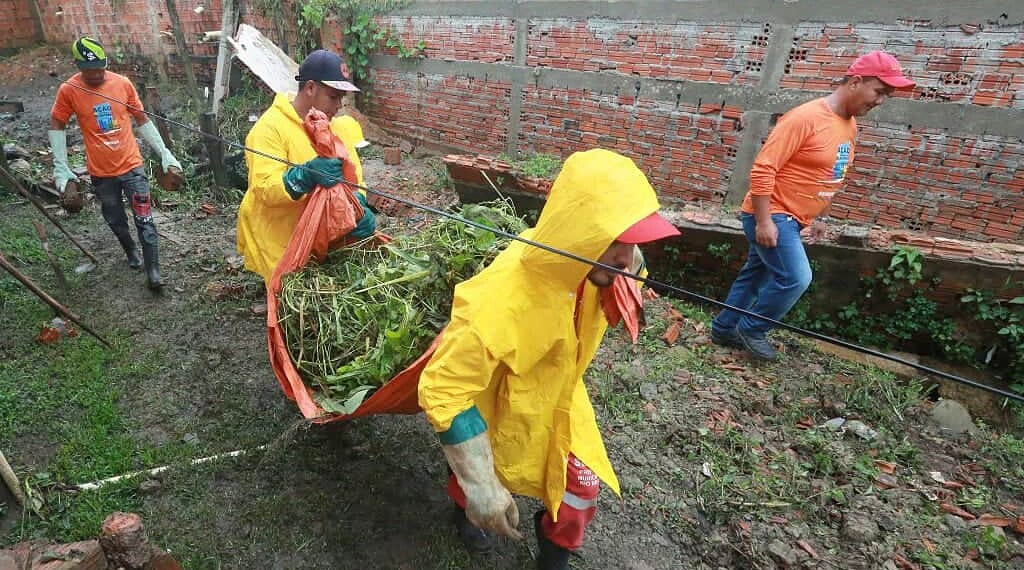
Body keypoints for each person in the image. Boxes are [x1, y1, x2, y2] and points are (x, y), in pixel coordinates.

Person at [417, 149, 681, 570]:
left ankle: (555, 550)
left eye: (636, 242)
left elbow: (627, 264)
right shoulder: (501, 298)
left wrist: (626, 261)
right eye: (619, 240)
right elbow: (443, 387)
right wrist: (480, 482)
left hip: (561, 395)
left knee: (581, 488)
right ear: (581, 233)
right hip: (500, 399)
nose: (629, 258)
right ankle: (466, 507)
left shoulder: (601, 267)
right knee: (491, 468)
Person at [710, 51, 915, 360]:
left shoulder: (849, 125)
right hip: (774, 213)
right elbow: (764, 168)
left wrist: (821, 216)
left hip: (794, 217)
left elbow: (832, 173)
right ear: (856, 82)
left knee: (756, 275)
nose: (881, 100)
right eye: (880, 91)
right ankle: (752, 329)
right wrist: (765, 221)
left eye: (887, 95)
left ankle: (724, 330)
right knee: (795, 278)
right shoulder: (805, 118)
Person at [49, 37, 182, 290]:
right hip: (101, 172)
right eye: (89, 71)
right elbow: (57, 123)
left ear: (106, 63)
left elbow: (142, 119)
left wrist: (165, 152)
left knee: (144, 218)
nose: (96, 75)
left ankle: (153, 270)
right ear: (78, 67)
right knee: (114, 218)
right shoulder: (69, 90)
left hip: (132, 166)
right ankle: (130, 249)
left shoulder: (122, 84)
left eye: (100, 68)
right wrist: (61, 166)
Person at [236, 49, 376, 284]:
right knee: (288, 302)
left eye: (341, 98)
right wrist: (302, 177)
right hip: (278, 236)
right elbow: (264, 189)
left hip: (317, 234)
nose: (339, 105)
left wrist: (358, 204)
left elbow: (354, 177)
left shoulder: (336, 127)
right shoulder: (269, 129)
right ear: (310, 88)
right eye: (333, 97)